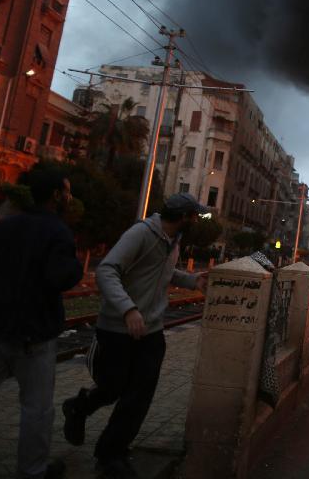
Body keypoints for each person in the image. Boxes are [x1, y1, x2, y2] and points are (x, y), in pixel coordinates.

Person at [61, 193, 208, 478]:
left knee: (139, 395)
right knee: (113, 387)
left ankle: (111, 452)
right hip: (117, 328)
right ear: (182, 217)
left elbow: (163, 273)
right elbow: (106, 270)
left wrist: (193, 280)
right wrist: (128, 309)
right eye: (194, 216)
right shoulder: (141, 234)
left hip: (150, 331)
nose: (196, 221)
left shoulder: (172, 241)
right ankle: (79, 407)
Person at [0, 168, 82, 479]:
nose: (69, 197)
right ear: (55, 196)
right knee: (36, 410)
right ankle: (32, 470)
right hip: (34, 337)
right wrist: (75, 267)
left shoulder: (4, 227)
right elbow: (59, 277)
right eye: (66, 191)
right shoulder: (57, 232)